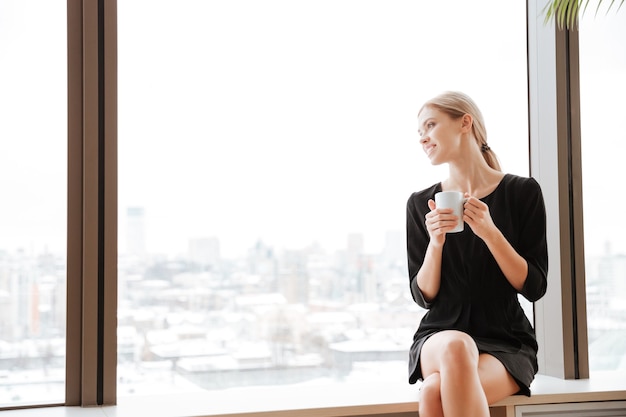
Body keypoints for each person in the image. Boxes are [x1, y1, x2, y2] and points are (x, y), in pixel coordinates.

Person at [406, 91, 548, 417]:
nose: (423, 138)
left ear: (464, 123)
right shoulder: (420, 203)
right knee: (456, 345)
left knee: (434, 392)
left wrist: (489, 232)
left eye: (430, 125)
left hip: (506, 341)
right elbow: (423, 295)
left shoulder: (522, 193)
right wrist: (436, 242)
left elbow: (534, 286)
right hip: (439, 335)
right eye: (419, 132)